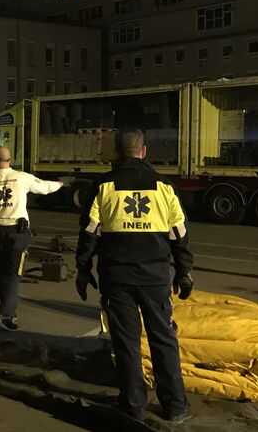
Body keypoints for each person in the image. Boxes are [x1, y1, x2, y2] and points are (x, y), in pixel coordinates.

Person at [75, 126, 193, 424]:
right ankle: (175, 406)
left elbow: (89, 233)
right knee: (163, 338)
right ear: (144, 151)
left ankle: (133, 406)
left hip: (117, 278)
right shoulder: (164, 186)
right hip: (155, 276)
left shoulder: (103, 186)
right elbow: (179, 233)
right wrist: (183, 271)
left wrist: (83, 269)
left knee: (126, 343)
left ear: (117, 152)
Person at [0, 146, 63, 331]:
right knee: (14, 275)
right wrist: (61, 184)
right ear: (9, 160)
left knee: (3, 273)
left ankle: (6, 310)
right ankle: (5, 315)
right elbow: (45, 187)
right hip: (17, 234)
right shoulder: (22, 177)